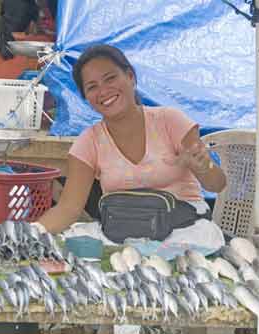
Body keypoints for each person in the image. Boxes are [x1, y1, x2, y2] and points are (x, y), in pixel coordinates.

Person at [36, 44, 227, 237]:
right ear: (86, 98)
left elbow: (217, 185)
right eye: (92, 87)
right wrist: (32, 232)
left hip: (186, 231)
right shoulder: (88, 141)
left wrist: (204, 167)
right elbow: (68, 209)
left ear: (130, 77)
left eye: (110, 78)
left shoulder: (170, 120)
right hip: (124, 236)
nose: (103, 91)